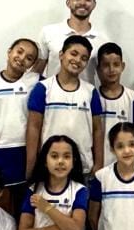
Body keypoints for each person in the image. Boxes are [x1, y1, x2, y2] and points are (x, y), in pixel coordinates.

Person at [0, 37, 41, 208]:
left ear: (32, 64)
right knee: (1, 202)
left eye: (29, 58)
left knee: (24, 204)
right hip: (0, 151)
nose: (22, 58)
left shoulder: (36, 81)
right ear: (9, 52)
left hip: (26, 151)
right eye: (19, 51)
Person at [25, 35, 101, 176]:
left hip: (82, 167)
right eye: (74, 54)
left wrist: (98, 164)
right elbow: (33, 128)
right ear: (61, 55)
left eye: (84, 58)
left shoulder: (91, 91)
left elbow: (97, 130)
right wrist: (31, 166)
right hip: (50, 167)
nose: (77, 60)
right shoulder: (43, 88)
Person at [35, 0, 107, 82]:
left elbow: (105, 78)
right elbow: (36, 72)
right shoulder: (48, 32)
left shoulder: (103, 40)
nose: (82, 3)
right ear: (68, 2)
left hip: (87, 92)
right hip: (52, 92)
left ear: (94, 4)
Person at [92, 42, 134, 172]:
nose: (111, 70)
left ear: (123, 66)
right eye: (106, 65)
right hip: (97, 166)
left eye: (116, 64)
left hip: (125, 165)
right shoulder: (92, 96)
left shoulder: (133, 98)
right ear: (98, 69)